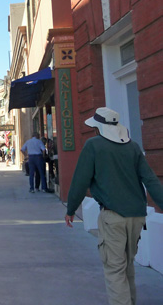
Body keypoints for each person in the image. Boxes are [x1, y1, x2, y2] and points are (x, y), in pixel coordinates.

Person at [65, 107, 163, 305]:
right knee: (127, 268)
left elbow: (80, 180)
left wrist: (71, 209)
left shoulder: (93, 145)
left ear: (98, 127)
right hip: (137, 216)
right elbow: (151, 180)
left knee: (114, 269)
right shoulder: (133, 146)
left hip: (113, 217)